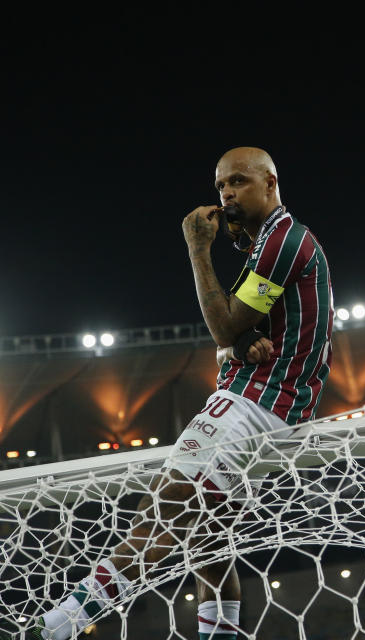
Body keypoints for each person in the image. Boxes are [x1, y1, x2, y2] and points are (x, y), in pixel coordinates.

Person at [6, 148, 333, 640]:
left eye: (239, 182)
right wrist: (241, 340)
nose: (226, 195)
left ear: (270, 183)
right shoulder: (265, 242)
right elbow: (237, 327)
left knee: (165, 505)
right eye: (221, 185)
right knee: (207, 541)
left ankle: (59, 625)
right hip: (265, 399)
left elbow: (222, 325)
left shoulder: (284, 241)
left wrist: (198, 250)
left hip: (257, 402)